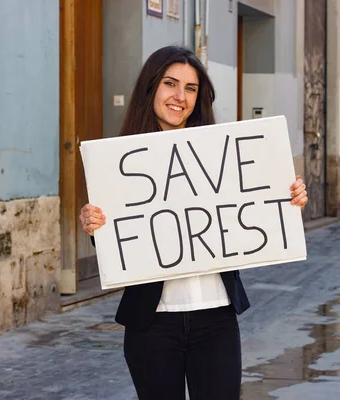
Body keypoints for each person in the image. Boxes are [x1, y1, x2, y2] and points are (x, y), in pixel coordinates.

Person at [79, 45, 308, 400]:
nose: (179, 96)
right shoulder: (120, 160)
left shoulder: (222, 154)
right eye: (170, 84)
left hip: (216, 321)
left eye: (190, 88)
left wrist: (287, 196)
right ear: (151, 88)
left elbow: (252, 204)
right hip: (152, 325)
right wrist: (94, 224)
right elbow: (118, 241)